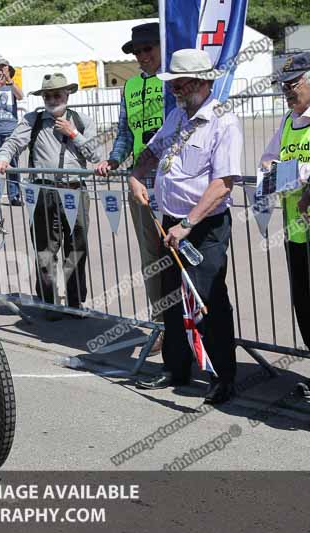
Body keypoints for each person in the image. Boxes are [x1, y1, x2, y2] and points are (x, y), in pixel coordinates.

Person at [130, 49, 242, 405]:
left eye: (181, 83)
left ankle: (222, 376)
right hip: (170, 221)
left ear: (202, 82)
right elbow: (151, 152)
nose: (175, 88)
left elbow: (223, 183)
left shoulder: (223, 121)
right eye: (174, 82)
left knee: (207, 298)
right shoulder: (177, 116)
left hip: (203, 225)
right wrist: (136, 175)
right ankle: (176, 367)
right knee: (170, 297)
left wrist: (188, 224)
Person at [0, 73, 100, 320]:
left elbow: (96, 155)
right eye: (48, 95)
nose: (53, 99)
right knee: (44, 247)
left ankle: (75, 302)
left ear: (67, 95)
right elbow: (12, 143)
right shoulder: (33, 120)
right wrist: (2, 157)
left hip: (74, 189)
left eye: (57, 94)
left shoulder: (81, 120)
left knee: (77, 247)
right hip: (41, 190)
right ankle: (49, 302)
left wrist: (73, 133)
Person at [96, 22, 166, 351]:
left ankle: (195, 329)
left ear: (162, 47)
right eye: (137, 51)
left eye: (147, 49)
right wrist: (113, 160)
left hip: (173, 179)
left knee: (181, 255)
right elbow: (124, 132)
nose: (141, 56)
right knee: (152, 259)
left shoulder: (174, 82)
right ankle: (162, 326)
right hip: (140, 180)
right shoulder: (130, 86)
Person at [259, 52, 310, 397]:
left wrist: (300, 176)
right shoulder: (288, 121)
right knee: (304, 305)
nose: (287, 91)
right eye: (283, 86)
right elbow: (267, 160)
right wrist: (278, 170)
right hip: (296, 229)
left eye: (293, 84)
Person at [0, 56, 23, 205]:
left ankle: (14, 196)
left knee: (12, 164)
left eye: (4, 69)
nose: (1, 72)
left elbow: (20, 96)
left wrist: (10, 81)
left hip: (10, 131)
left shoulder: (12, 86)